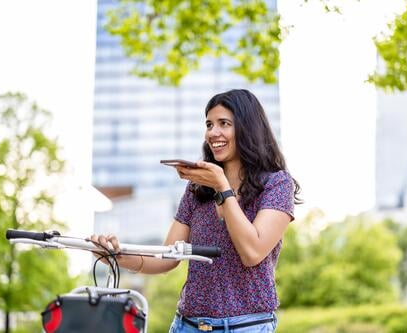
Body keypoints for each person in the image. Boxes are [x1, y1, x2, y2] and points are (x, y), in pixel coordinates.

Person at [91, 89, 302, 332]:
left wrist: (221, 186)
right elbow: (168, 257)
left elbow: (252, 252)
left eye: (224, 124)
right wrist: (115, 256)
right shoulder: (197, 189)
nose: (213, 133)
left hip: (248, 326)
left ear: (248, 128)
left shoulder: (277, 184)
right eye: (209, 124)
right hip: (187, 325)